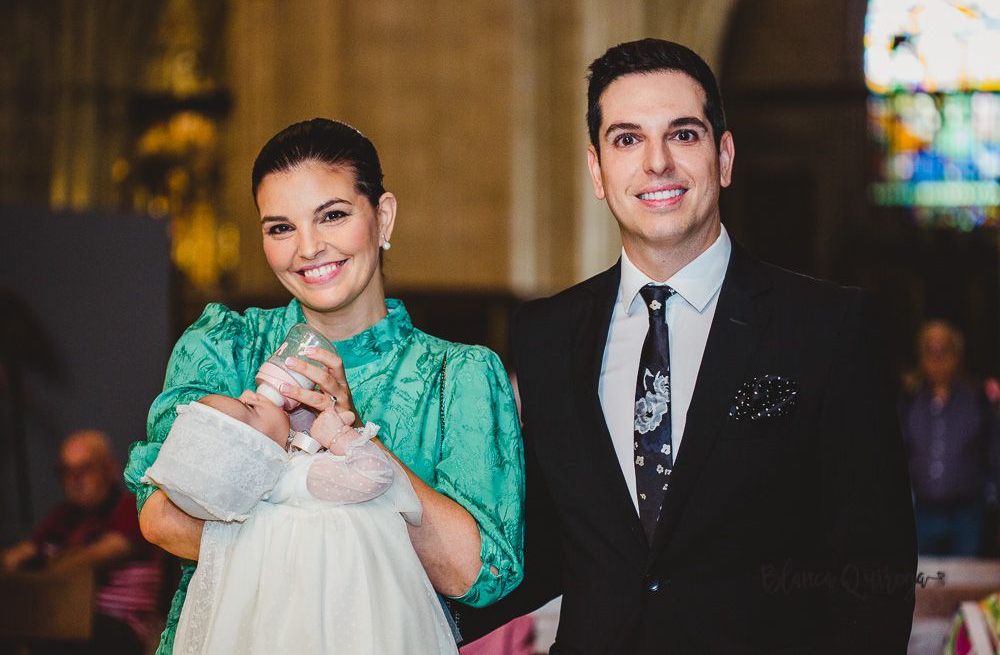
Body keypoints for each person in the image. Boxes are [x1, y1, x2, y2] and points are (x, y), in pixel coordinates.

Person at [462, 38, 917, 653]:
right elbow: (541, 546)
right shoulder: (546, 333)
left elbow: (874, 574)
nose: (657, 164)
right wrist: (398, 610)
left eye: (682, 134)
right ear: (597, 171)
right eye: (627, 139)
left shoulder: (828, 326)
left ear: (724, 157)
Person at [124, 118, 523, 654]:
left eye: (332, 216)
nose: (309, 248)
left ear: (382, 217)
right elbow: (163, 517)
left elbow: (476, 573)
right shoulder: (225, 346)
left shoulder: (460, 376)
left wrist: (358, 440)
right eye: (280, 228)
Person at [142, 390, 457, 654]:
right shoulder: (299, 478)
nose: (251, 392)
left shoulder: (270, 487)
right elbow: (376, 474)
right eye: (250, 407)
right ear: (258, 449)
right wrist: (337, 434)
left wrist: (301, 430)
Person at [2, 430, 163, 655]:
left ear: (109, 470)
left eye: (85, 469)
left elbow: (85, 562)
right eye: (67, 471)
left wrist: (44, 563)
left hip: (119, 629)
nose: (74, 479)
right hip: (64, 622)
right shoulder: (61, 517)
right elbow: (17, 557)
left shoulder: (129, 510)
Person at [899, 320, 1000, 557]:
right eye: (929, 350)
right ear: (920, 356)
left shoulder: (978, 398)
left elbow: (995, 453)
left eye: (944, 349)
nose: (937, 358)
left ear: (957, 353)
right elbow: (898, 455)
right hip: (921, 513)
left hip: (968, 514)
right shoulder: (908, 401)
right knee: (924, 582)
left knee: (965, 583)